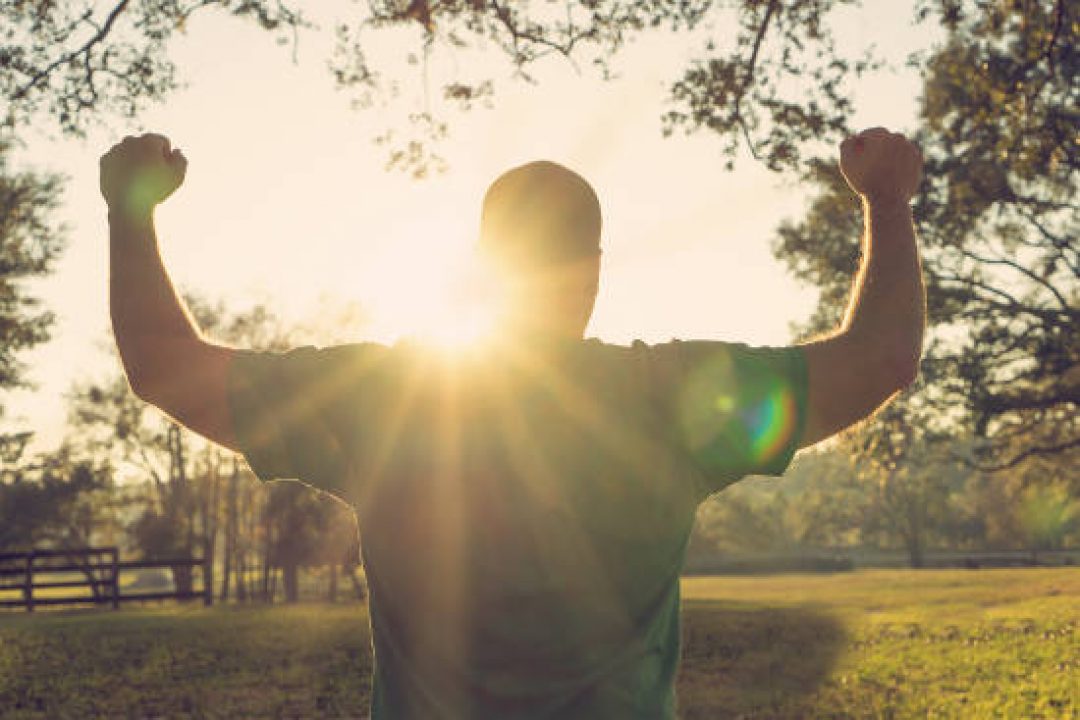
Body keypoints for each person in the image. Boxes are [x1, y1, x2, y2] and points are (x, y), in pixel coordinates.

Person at [102, 127, 924, 719]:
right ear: (594, 270)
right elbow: (882, 356)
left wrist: (130, 211)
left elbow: (162, 365)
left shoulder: (384, 398)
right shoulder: (672, 401)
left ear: (481, 264)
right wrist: (886, 199)